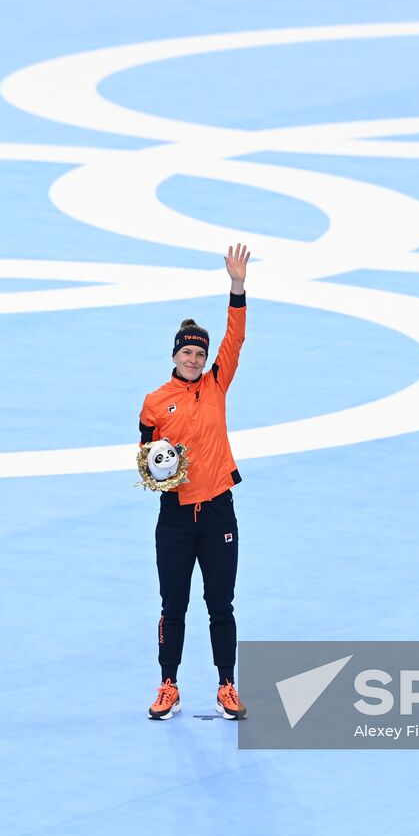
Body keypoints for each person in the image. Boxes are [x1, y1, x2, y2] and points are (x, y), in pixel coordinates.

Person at [140, 244, 251, 721]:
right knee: (173, 605)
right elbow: (144, 456)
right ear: (174, 355)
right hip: (176, 517)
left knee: (221, 605)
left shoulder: (216, 384)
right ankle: (169, 684)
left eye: (199, 353)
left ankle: (226, 685)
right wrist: (156, 472)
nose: (194, 358)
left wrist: (237, 287)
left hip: (219, 511)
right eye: (187, 352)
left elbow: (235, 339)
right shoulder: (154, 400)